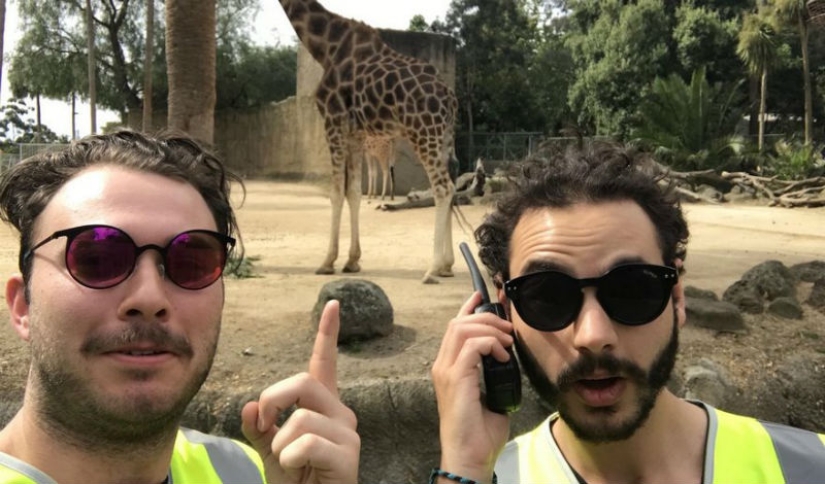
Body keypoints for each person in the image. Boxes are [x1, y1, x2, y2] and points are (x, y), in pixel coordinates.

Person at [431, 142, 825, 484]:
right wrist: (465, 465)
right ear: (504, 314)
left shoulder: (810, 467)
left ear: (677, 298)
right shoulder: (483, 476)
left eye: (633, 290)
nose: (593, 334)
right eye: (547, 297)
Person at [0, 130, 360, 483]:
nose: (149, 298)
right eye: (97, 259)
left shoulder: (249, 471)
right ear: (22, 306)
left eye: (191, 261)